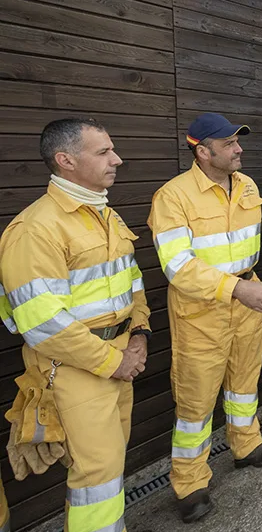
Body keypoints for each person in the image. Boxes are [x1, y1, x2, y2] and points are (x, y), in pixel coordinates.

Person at [0, 119, 151, 532]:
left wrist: (138, 335)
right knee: (97, 477)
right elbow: (43, 323)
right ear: (66, 160)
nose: (117, 159)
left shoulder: (104, 214)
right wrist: (113, 361)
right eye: (103, 152)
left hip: (119, 358)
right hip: (77, 370)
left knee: (108, 466)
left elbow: (132, 282)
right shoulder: (36, 229)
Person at [148, 113, 262, 523]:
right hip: (201, 311)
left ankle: (246, 446)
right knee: (195, 401)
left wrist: (246, 286)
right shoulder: (173, 196)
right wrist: (238, 289)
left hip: (245, 301)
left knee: (244, 383)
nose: (239, 149)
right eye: (228, 144)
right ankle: (190, 484)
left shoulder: (247, 184)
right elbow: (177, 266)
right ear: (203, 152)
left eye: (238, 141)